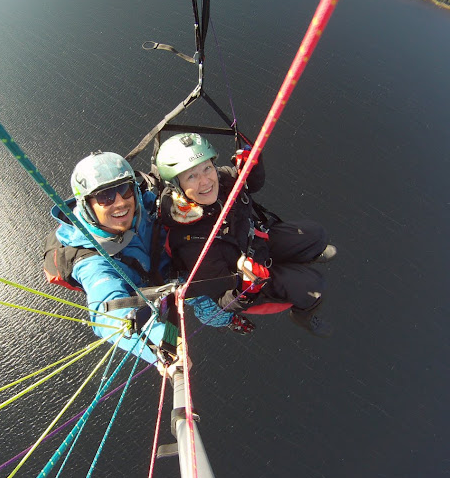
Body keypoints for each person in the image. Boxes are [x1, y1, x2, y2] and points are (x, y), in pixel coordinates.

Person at [156, 133, 337, 337]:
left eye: (207, 168)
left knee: (316, 235)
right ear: (177, 186)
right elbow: (222, 299)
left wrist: (253, 166)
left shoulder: (221, 179)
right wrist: (246, 289)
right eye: (191, 176)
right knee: (314, 287)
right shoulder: (193, 245)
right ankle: (303, 314)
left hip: (255, 240)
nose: (205, 181)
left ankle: (308, 254)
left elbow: (250, 184)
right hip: (246, 276)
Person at [48, 151, 175, 364]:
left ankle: (231, 307)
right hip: (152, 297)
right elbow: (107, 312)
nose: (120, 203)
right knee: (173, 324)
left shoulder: (143, 206)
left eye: (124, 190)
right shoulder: (90, 261)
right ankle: (173, 347)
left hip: (170, 275)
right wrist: (167, 351)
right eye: (105, 197)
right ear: (87, 205)